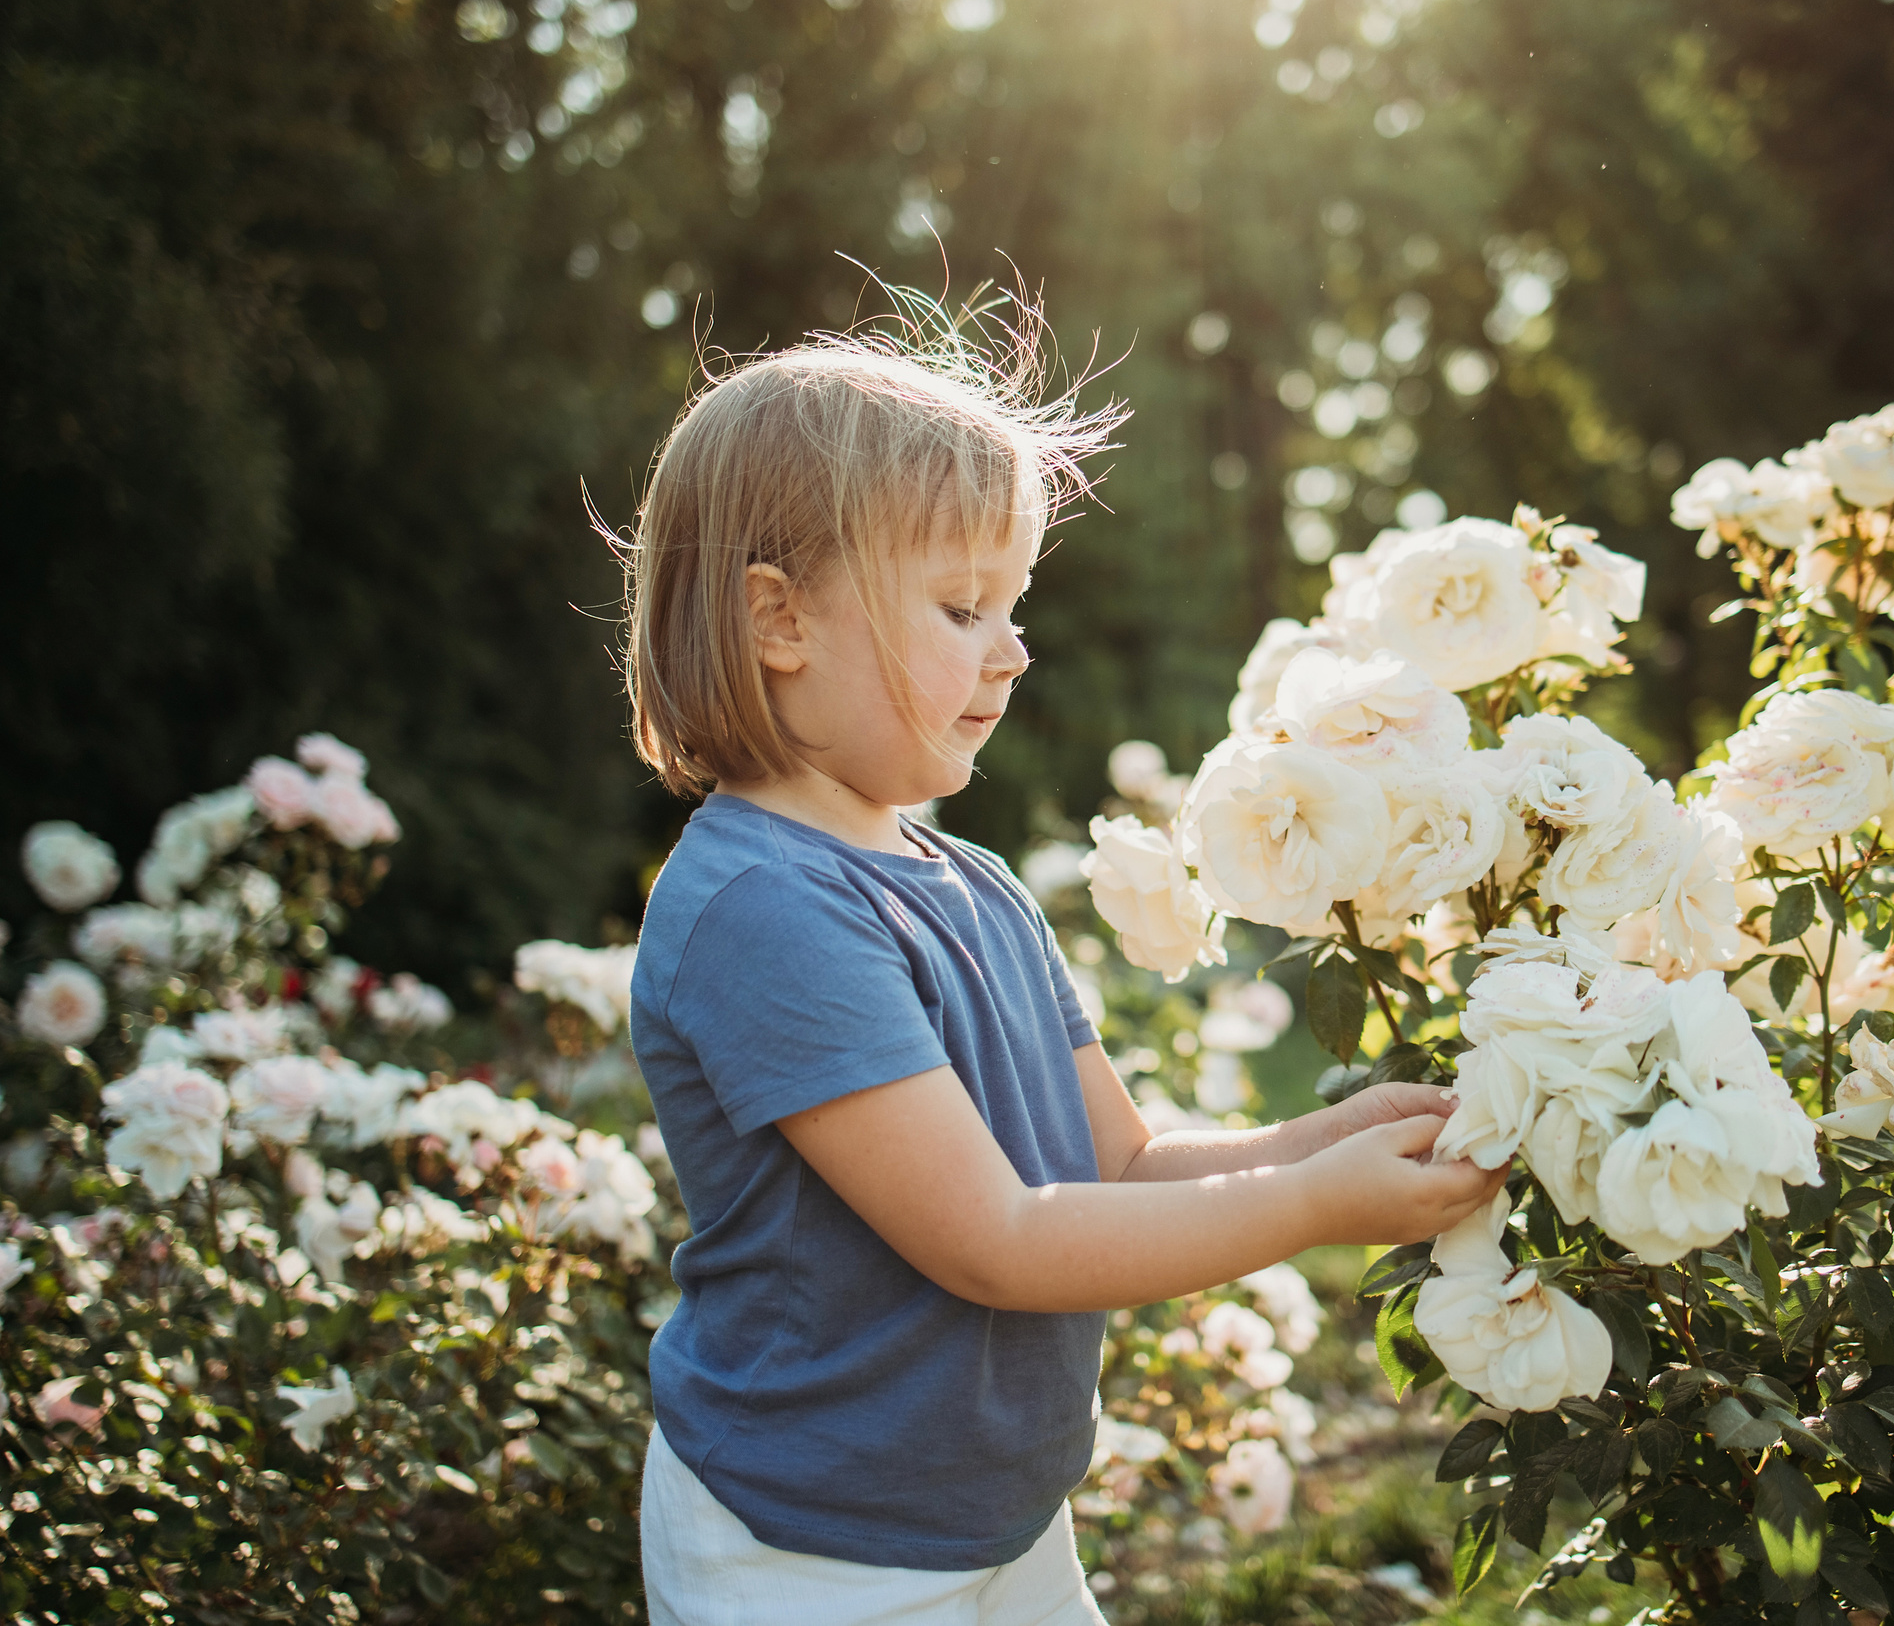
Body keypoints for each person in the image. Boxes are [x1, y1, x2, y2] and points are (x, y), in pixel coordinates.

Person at [614, 306, 1504, 1626]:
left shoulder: (969, 888)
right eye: (963, 605)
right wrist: (1310, 1204)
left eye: (1014, 607)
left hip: (995, 1522)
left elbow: (1121, 1165)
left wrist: (1307, 1139)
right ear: (779, 618)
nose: (1013, 649)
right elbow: (998, 1239)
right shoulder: (764, 909)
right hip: (811, 1551)